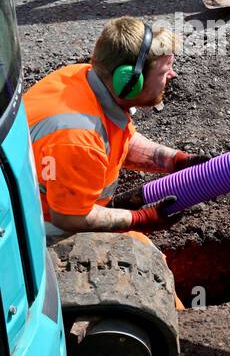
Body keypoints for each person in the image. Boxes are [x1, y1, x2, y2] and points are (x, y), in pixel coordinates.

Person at [25, 16, 208, 243]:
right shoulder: (78, 139)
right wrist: (139, 219)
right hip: (35, 229)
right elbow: (69, 218)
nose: (172, 75)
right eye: (164, 70)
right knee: (139, 249)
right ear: (131, 81)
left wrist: (175, 160)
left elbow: (120, 139)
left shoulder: (82, 78)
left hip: (52, 204)